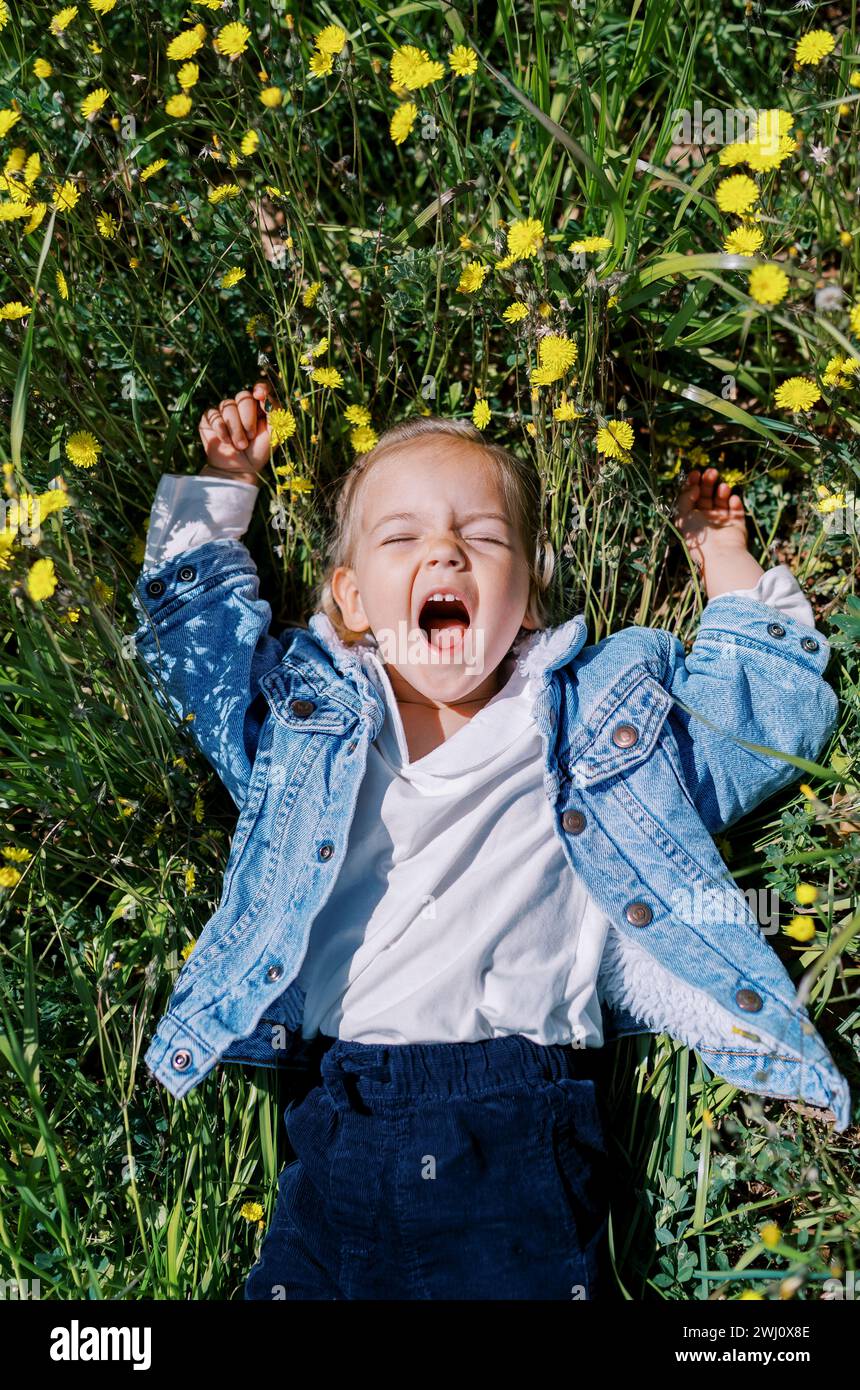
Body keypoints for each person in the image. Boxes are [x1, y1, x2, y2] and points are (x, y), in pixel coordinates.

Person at [132, 382, 849, 1300]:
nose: (443, 548)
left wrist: (726, 564)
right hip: (336, 1117)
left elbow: (754, 725)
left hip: (515, 1116)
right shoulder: (305, 725)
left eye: (483, 536)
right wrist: (221, 490)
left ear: (528, 600)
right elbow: (201, 661)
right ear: (350, 600)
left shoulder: (586, 722)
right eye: (401, 538)